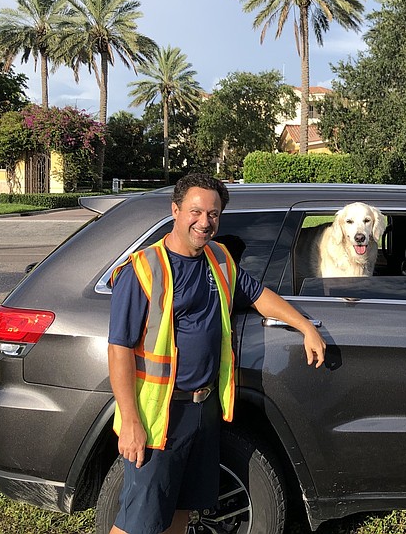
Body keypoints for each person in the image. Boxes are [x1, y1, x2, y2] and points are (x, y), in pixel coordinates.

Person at [108, 173, 326, 534]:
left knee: (182, 510)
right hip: (160, 415)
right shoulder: (144, 270)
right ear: (175, 210)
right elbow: (119, 349)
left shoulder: (219, 260)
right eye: (195, 212)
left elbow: (257, 295)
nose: (204, 222)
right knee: (139, 522)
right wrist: (130, 420)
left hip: (203, 409)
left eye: (213, 214)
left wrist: (305, 326)